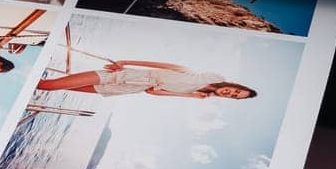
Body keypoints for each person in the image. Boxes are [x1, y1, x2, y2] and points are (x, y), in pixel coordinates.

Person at [36, 60, 257, 99]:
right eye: (236, 90)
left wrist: (189, 96)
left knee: (54, 89)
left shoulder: (200, 95)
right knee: (48, 85)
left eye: (235, 97)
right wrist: (124, 62)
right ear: (233, 85)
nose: (231, 94)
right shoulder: (209, 76)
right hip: (127, 75)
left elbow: (153, 93)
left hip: (128, 89)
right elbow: (165, 65)